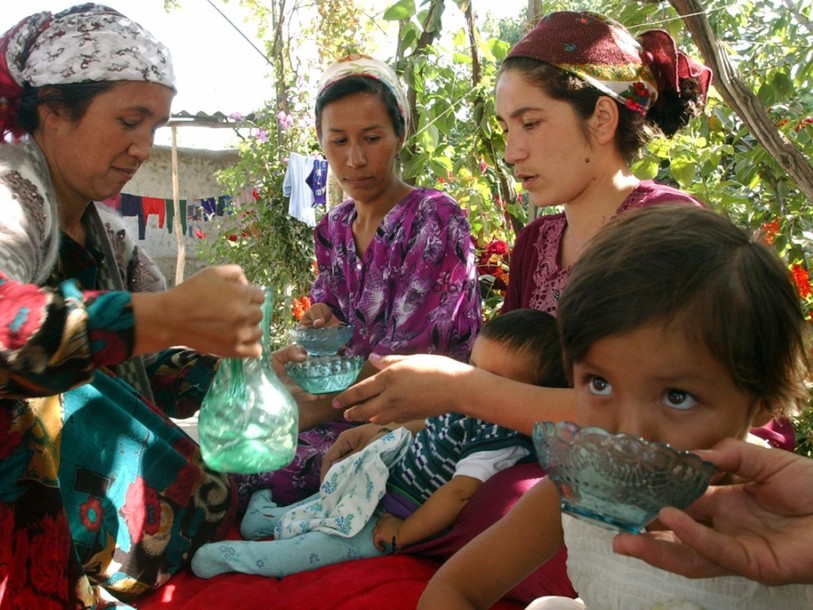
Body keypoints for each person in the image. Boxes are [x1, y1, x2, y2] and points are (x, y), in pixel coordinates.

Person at [328, 11, 713, 600]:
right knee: (442, 483)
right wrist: (404, 426)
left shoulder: (665, 231)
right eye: (507, 128)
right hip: (542, 458)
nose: (512, 151)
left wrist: (459, 390)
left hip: (652, 471)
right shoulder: (536, 243)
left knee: (496, 504)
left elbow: (653, 425)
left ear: (602, 118)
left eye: (530, 124)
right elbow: (508, 387)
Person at [0, 5, 266, 607]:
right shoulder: (13, 197)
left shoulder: (105, 237)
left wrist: (253, 375)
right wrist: (165, 315)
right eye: (128, 120)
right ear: (52, 110)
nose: (143, 147)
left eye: (154, 126)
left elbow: (154, 368)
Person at [418, 204, 813, 609]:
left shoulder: (796, 523)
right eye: (600, 384)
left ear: (763, 399)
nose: (628, 431)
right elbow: (455, 590)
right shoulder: (574, 493)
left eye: (677, 397)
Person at [234, 54, 482, 507]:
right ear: (320, 141)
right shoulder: (333, 229)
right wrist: (318, 323)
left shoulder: (435, 219)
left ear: (399, 135)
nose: (355, 159)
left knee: (325, 463)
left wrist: (312, 391)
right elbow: (328, 313)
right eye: (339, 140)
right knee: (237, 451)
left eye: (372, 138)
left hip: (417, 417)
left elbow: (418, 361)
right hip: (343, 403)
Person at [190, 308, 567, 579]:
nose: (475, 384)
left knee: (315, 547)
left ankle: (238, 556)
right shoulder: (469, 408)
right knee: (323, 504)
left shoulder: (500, 442)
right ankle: (264, 519)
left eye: (494, 380)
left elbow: (458, 494)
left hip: (396, 513)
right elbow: (431, 423)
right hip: (378, 484)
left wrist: (403, 534)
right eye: (474, 369)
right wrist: (385, 432)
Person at [612, 437, 813, 587]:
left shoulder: (792, 504)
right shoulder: (588, 520)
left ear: (763, 406)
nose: (629, 435)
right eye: (599, 384)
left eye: (677, 397)